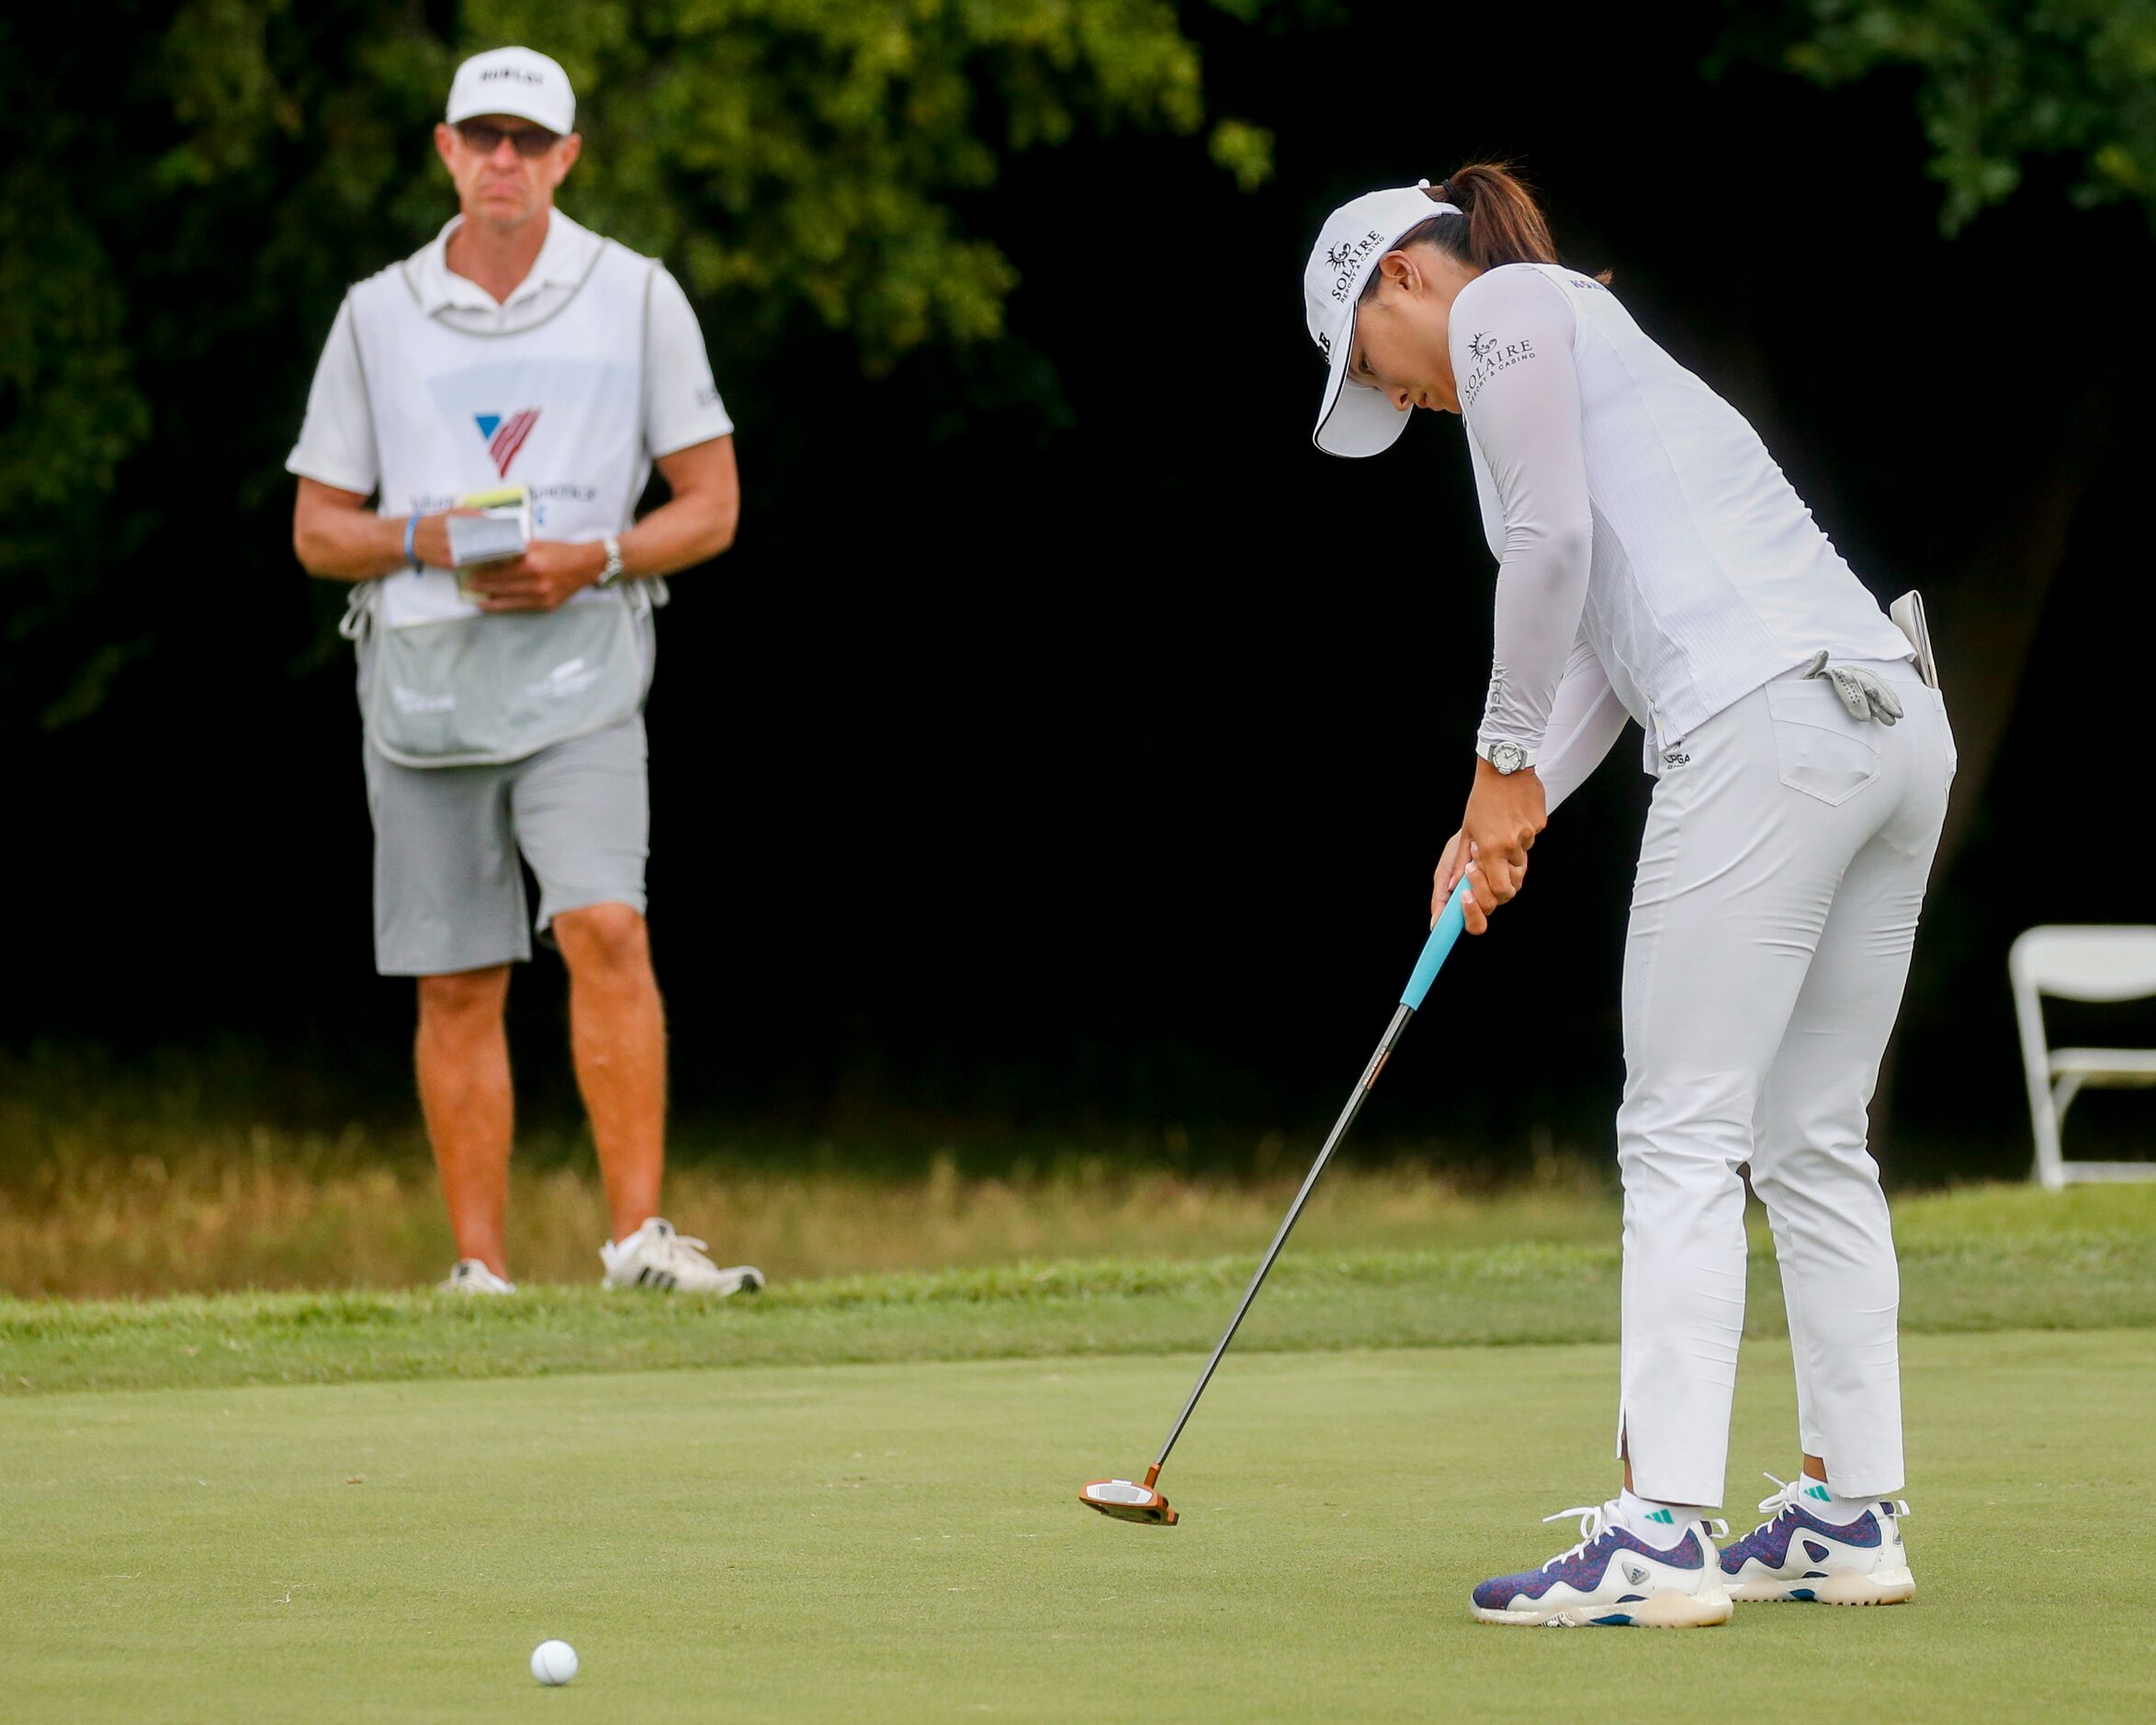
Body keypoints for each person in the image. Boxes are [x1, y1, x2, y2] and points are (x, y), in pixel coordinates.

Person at [1301, 166, 1951, 1627]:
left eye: (1371, 369)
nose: (1396, 401)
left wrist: (1495, 766)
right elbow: (1606, 641)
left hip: (1767, 723)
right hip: (1889, 726)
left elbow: (1549, 553)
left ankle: (1659, 1534)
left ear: (1402, 277)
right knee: (1809, 1135)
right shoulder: (1584, 332)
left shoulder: (1510, 309)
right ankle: (1849, 1516)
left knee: (1677, 1129)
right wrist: (1509, 813)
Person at [287, 46, 762, 1298]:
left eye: (527, 139)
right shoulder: (376, 312)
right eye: (481, 136)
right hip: (425, 682)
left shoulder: (637, 294)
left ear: (566, 159)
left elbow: (710, 505)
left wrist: (593, 555)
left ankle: (639, 1243)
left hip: (582, 666)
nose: (504, 159)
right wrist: (416, 537)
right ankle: (480, 1270)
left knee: (606, 925)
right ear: (446, 149)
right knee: (456, 975)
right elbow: (317, 529)